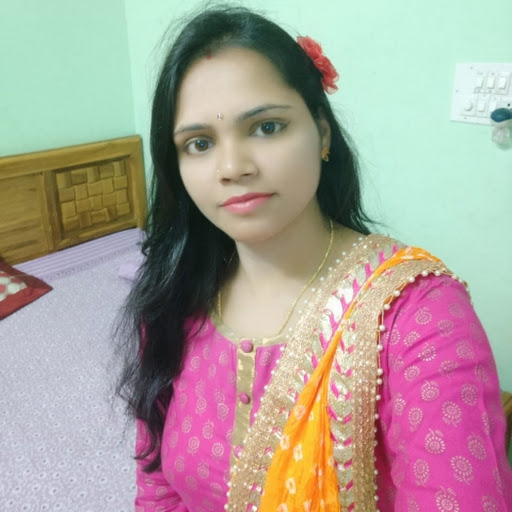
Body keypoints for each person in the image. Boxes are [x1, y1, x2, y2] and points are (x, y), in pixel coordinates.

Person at [116, 5, 512, 511]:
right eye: (199, 143)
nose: (232, 167)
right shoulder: (173, 299)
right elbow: (158, 489)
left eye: (266, 127)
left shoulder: (418, 317)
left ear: (322, 132)